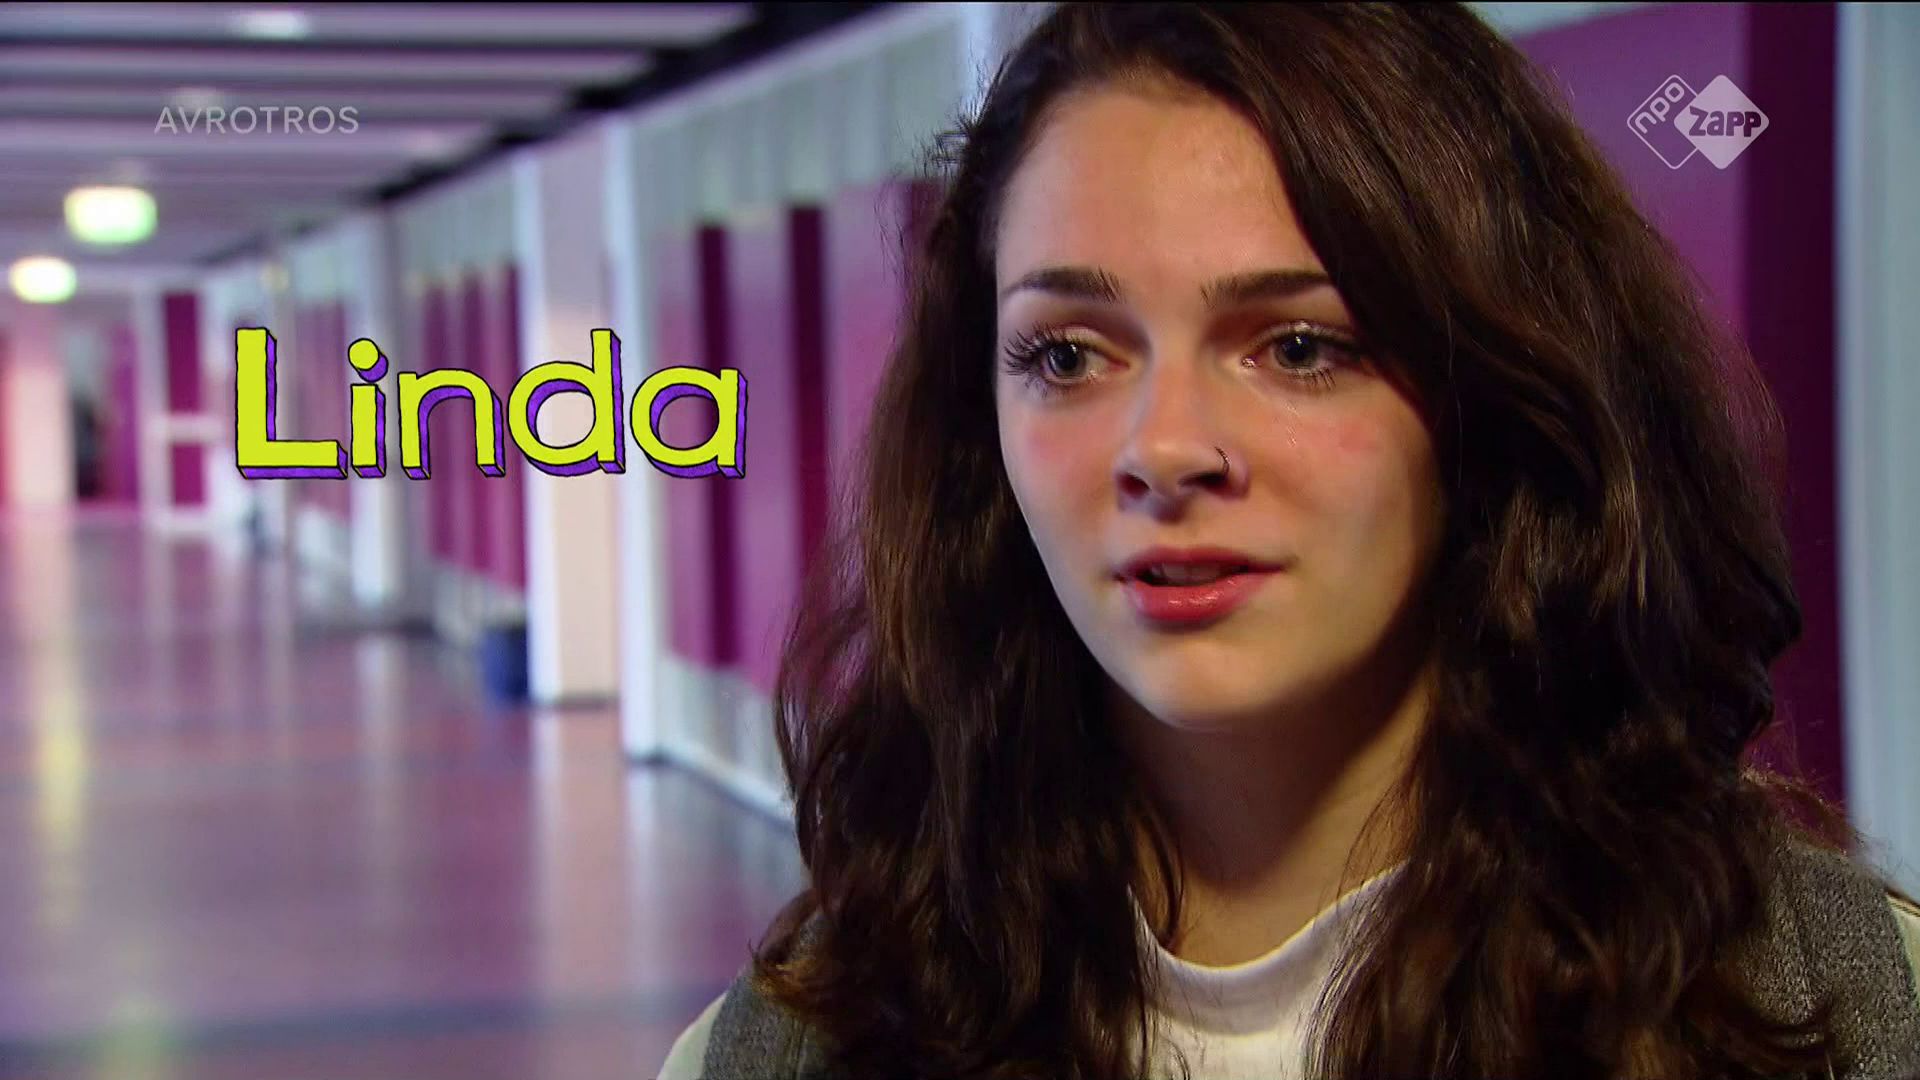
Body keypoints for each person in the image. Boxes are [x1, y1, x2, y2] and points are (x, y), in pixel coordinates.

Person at [659, 4, 1920, 1077]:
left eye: (1300, 346)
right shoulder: (794, 1043)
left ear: (1491, 399)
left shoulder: (1838, 1004)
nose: (1165, 448)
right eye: (1068, 355)